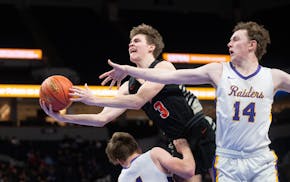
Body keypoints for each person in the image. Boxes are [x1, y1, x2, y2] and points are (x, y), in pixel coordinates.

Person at [100, 21, 290, 181]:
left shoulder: (274, 77)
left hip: (260, 158)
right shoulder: (219, 71)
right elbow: (166, 77)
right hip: (228, 160)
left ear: (252, 45)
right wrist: (128, 69)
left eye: (235, 39)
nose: (229, 43)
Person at [40, 23, 216, 182]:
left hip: (198, 128)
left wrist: (92, 98)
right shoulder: (127, 86)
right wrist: (64, 118)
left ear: (151, 47)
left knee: (222, 176)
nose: (131, 44)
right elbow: (102, 119)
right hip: (176, 139)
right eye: (130, 41)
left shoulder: (163, 67)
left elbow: (138, 100)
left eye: (137, 41)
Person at [105, 132, 195, 181]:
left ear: (119, 161)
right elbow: (188, 170)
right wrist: (185, 148)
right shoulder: (155, 154)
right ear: (138, 148)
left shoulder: (122, 179)